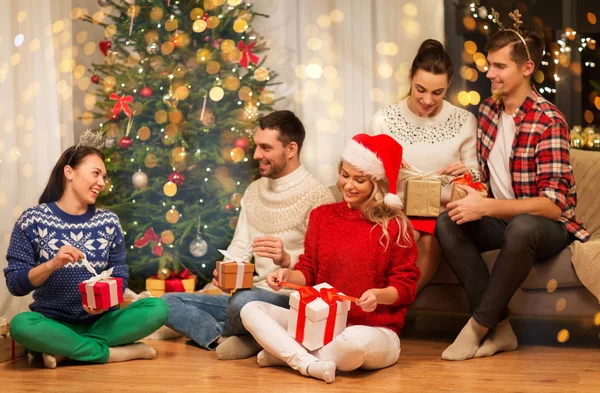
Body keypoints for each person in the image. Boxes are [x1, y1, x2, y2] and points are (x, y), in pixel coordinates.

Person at [436, 13, 590, 361]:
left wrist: (487, 207)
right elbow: (492, 181)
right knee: (448, 222)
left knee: (521, 228)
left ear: (526, 68)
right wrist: (470, 175)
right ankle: (502, 328)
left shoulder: (548, 121)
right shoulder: (489, 111)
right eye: (489, 64)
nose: (489, 73)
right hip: (504, 218)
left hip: (547, 226)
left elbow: (552, 205)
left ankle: (476, 327)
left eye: (499, 66)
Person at [240, 133, 420, 383]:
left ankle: (284, 354)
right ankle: (306, 363)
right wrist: (286, 276)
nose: (348, 185)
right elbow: (308, 271)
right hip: (319, 326)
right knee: (251, 308)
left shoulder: (394, 226)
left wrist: (378, 296)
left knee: (353, 345)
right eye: (345, 175)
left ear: (376, 184)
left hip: (374, 330)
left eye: (360, 180)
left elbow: (406, 287)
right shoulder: (322, 217)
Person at [162, 110, 335, 359]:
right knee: (167, 303)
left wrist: (288, 258)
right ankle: (239, 338)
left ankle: (244, 336)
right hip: (251, 294)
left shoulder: (318, 196)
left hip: (290, 300)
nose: (256, 155)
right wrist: (226, 272)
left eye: (265, 147)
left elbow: (325, 268)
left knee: (242, 303)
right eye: (256, 146)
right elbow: (240, 244)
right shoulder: (254, 191)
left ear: (291, 149)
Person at [4, 135, 169, 369]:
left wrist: (104, 303)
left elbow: (120, 277)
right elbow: (15, 283)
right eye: (95, 173)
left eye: (104, 176)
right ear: (69, 172)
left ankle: (65, 351)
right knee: (22, 325)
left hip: (102, 322)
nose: (102, 182)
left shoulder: (109, 221)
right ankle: (111, 353)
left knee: (158, 308)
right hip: (52, 324)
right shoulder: (32, 220)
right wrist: (52, 264)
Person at [371, 39, 481, 292]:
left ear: (448, 85)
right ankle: (384, 303)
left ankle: (396, 306)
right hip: (396, 210)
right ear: (410, 77)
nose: (428, 99)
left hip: (443, 214)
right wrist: (387, 165)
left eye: (437, 92)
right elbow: (368, 174)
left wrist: (467, 172)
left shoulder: (464, 121)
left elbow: (476, 175)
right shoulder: (384, 120)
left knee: (430, 238)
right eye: (420, 89)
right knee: (407, 232)